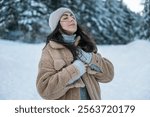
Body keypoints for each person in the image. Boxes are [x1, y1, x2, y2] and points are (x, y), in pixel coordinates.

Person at [36, 7, 114, 100]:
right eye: (65, 18)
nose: (71, 19)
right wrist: (74, 70)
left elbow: (109, 76)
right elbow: (45, 90)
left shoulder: (85, 44)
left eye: (72, 16)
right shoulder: (50, 50)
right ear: (57, 26)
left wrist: (91, 59)